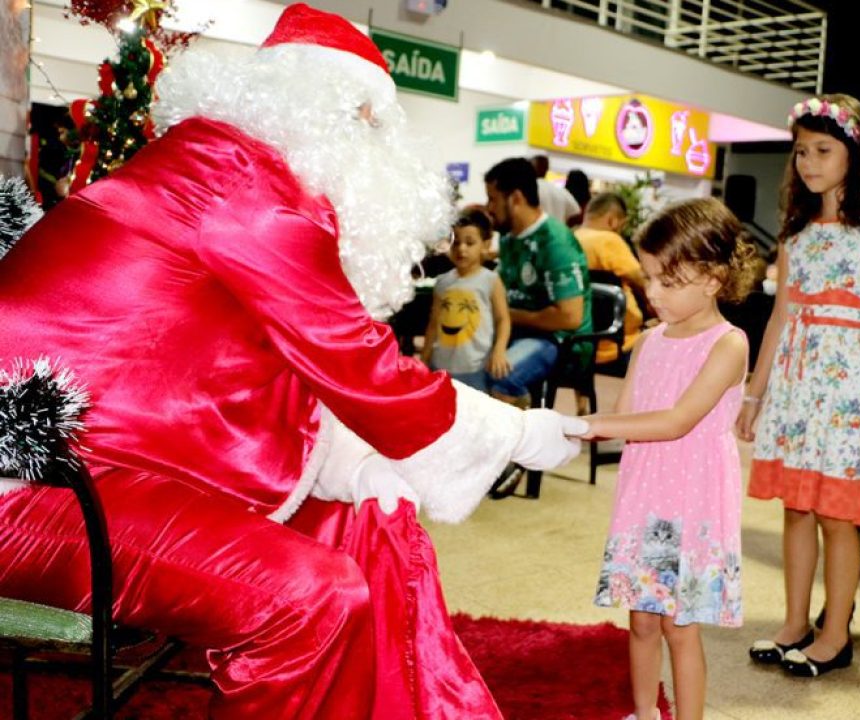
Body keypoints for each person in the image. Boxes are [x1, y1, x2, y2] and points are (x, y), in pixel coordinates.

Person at [0, 6, 584, 719]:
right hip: (27, 491)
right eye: (373, 122)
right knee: (309, 596)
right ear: (343, 114)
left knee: (346, 524)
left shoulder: (211, 166)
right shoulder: (248, 192)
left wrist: (357, 466)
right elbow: (354, 358)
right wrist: (517, 432)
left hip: (79, 465)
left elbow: (227, 371)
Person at [737, 94, 860, 677]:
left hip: (851, 394)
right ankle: (794, 622)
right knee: (796, 509)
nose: (808, 162)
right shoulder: (795, 236)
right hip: (796, 389)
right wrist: (755, 393)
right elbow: (779, 318)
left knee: (839, 516)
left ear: (855, 155)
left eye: (822, 150)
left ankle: (836, 634)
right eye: (801, 152)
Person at [569, 198, 753, 720]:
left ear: (713, 279)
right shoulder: (649, 342)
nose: (651, 293)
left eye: (667, 282)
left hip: (693, 504)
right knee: (642, 620)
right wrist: (574, 429)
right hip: (645, 498)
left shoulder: (728, 345)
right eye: (648, 277)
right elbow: (627, 415)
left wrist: (593, 425)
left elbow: (675, 421)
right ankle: (645, 712)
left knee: (679, 626)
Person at [485, 157, 592, 406]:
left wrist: (508, 315)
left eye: (493, 199)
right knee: (460, 358)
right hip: (516, 331)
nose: (489, 208)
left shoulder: (556, 242)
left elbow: (569, 318)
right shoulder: (509, 239)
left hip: (560, 342)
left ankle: (523, 427)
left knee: (501, 374)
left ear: (515, 198)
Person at [421, 208, 510, 392]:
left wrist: (499, 350)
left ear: (485, 245)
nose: (462, 249)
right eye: (456, 243)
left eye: (470, 243)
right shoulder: (443, 282)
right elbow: (434, 323)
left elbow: (503, 319)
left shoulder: (490, 280)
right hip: (442, 366)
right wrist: (424, 358)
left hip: (476, 367)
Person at [574, 191, 646, 365]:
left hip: (578, 343)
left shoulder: (570, 238)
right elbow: (643, 281)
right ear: (612, 220)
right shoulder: (609, 240)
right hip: (619, 345)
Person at [530, 154, 581, 223]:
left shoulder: (526, 189)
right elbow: (576, 212)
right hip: (557, 228)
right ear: (547, 169)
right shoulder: (561, 191)